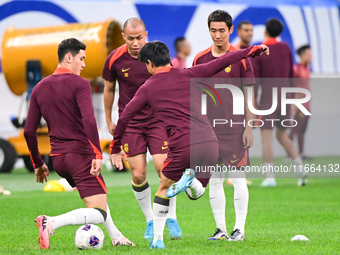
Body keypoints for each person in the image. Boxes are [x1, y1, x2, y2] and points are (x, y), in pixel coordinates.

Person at [111, 41, 268, 249]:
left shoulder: (147, 88)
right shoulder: (189, 73)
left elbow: (125, 116)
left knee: (163, 188)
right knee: (198, 192)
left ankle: (157, 239)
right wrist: (252, 50)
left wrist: (115, 147)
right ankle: (192, 182)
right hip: (211, 144)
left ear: (149, 63)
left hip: (183, 147)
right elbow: (223, 61)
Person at [24, 38, 135, 249]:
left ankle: (117, 236)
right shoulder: (79, 83)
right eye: (81, 59)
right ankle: (51, 222)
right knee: (98, 212)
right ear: (69, 57)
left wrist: (38, 164)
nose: (83, 64)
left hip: (58, 160)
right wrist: (97, 154)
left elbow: (29, 131)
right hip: (80, 155)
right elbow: (89, 120)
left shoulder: (39, 88)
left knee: (97, 199)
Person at [102, 18, 181, 241]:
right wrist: (109, 119)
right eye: (131, 38)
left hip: (158, 121)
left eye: (139, 38)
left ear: (146, 34)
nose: (136, 43)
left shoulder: (156, 54)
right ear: (123, 37)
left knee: (164, 169)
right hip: (131, 124)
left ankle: (171, 216)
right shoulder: (114, 59)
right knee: (138, 174)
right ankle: (149, 220)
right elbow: (109, 90)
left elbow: (170, 83)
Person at [193, 10, 255, 242]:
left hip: (236, 128)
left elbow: (249, 94)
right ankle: (221, 230)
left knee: (238, 178)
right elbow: (195, 95)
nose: (217, 35)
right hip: (209, 131)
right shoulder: (200, 59)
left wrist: (249, 127)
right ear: (208, 30)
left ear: (230, 30)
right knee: (216, 179)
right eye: (213, 30)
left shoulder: (242, 57)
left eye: (221, 30)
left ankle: (239, 230)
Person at [252, 19, 307, 187]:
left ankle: (270, 178)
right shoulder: (285, 48)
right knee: (282, 135)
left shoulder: (260, 50)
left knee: (266, 138)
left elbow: (255, 81)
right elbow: (291, 75)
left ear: (265, 31)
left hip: (268, 99)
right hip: (285, 97)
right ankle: (301, 169)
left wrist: (253, 104)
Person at [289, 45, 312, 160]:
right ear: (302, 55)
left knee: (302, 130)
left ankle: (301, 153)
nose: (311, 56)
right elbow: (290, 85)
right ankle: (290, 154)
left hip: (307, 105)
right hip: (299, 105)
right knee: (295, 129)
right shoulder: (296, 69)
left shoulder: (307, 69)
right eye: (309, 54)